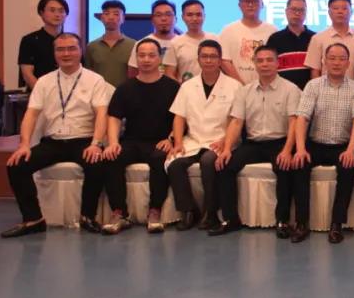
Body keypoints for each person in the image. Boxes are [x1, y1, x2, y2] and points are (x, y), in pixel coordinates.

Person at [2, 33, 115, 238]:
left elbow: (101, 113)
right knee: (16, 165)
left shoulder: (95, 80)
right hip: (52, 142)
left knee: (97, 164)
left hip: (83, 140)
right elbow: (31, 115)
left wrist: (96, 143)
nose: (66, 54)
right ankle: (33, 219)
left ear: (80, 51)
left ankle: (87, 216)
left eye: (71, 48)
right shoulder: (44, 82)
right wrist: (24, 144)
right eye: (60, 49)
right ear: (54, 53)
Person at [212, 46, 301, 239]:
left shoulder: (291, 89)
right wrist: (226, 149)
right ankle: (230, 219)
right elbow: (236, 122)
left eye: (269, 60)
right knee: (225, 165)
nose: (264, 64)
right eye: (260, 60)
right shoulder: (245, 91)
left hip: (280, 142)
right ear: (254, 64)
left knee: (285, 167)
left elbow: (294, 122)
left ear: (277, 63)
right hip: (253, 143)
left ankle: (282, 221)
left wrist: (288, 150)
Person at [103, 38, 180, 233]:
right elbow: (114, 117)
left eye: (151, 55)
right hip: (132, 141)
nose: (146, 60)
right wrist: (113, 142)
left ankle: (155, 211)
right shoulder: (125, 88)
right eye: (142, 55)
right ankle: (119, 213)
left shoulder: (172, 87)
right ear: (136, 58)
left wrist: (171, 139)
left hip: (160, 141)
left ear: (159, 58)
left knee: (160, 158)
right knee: (112, 157)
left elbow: (181, 118)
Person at [291, 43, 354, 244]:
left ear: (348, 63)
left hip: (342, 145)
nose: (336, 63)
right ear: (324, 61)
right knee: (299, 165)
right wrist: (300, 149)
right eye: (332, 58)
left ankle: (336, 224)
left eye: (341, 59)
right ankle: (301, 223)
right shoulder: (313, 85)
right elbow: (302, 117)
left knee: (348, 168)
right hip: (315, 144)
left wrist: (351, 150)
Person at [166, 40, 241, 231]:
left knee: (209, 162)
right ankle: (189, 211)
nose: (208, 60)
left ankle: (211, 213)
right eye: (204, 56)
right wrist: (177, 142)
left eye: (213, 56)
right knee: (175, 165)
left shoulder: (234, 86)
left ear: (220, 60)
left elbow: (237, 119)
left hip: (222, 140)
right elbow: (179, 117)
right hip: (194, 140)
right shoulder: (187, 86)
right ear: (198, 59)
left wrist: (225, 141)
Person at [219, 0, 278, 84]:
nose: (250, 5)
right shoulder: (228, 30)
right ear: (239, 5)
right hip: (236, 87)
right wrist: (241, 85)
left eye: (255, 1)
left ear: (262, 4)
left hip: (266, 87)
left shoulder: (272, 30)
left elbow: (276, 61)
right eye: (246, 1)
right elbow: (224, 61)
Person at [305, 0, 354, 82]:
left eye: (344, 8)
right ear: (329, 12)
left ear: (351, 12)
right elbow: (315, 70)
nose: (340, 12)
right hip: (326, 89)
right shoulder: (318, 38)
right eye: (335, 8)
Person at [18, 0, 68, 90]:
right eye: (52, 10)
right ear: (41, 13)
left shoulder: (71, 41)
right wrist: (43, 94)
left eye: (61, 11)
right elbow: (27, 74)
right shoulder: (29, 40)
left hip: (69, 93)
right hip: (39, 93)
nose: (57, 14)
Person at [163, 0, 219, 83]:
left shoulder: (215, 39)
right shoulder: (175, 43)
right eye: (190, 15)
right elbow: (169, 74)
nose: (194, 18)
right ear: (183, 17)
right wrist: (184, 88)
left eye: (198, 14)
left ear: (204, 16)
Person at [266, 0, 314, 89]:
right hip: (282, 92)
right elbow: (270, 68)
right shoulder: (275, 39)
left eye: (301, 10)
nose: (297, 13)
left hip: (309, 92)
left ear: (306, 13)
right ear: (286, 11)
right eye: (294, 9)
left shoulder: (314, 38)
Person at [85, 0, 135, 88]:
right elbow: (88, 74)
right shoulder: (91, 46)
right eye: (107, 13)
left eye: (116, 14)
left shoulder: (134, 45)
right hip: (99, 93)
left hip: (125, 93)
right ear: (101, 18)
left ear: (123, 18)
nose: (111, 17)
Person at [127, 0, 179, 77]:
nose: (163, 19)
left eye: (168, 14)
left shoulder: (182, 42)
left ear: (176, 19)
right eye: (158, 15)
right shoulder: (141, 44)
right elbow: (133, 74)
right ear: (152, 20)